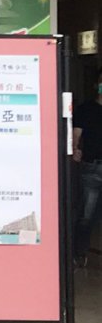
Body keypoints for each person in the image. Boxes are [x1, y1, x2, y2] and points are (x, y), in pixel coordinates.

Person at [73, 72, 102, 265]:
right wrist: (75, 148)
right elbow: (76, 134)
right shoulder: (86, 109)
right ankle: (79, 252)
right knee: (86, 214)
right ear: (97, 85)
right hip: (92, 167)